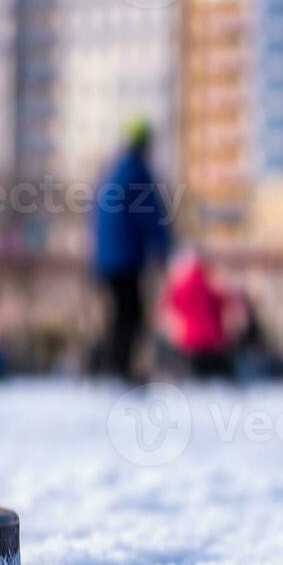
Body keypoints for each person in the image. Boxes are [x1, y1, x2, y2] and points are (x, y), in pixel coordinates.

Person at [92, 119, 171, 383]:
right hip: (126, 258)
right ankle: (120, 369)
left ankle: (110, 365)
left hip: (106, 259)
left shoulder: (112, 172)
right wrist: (163, 249)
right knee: (132, 314)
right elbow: (151, 215)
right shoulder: (137, 172)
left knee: (119, 314)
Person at [158, 250, 235, 379]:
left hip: (191, 341)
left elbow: (168, 306)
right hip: (214, 340)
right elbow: (227, 304)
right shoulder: (211, 287)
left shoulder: (182, 288)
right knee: (216, 371)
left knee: (195, 371)